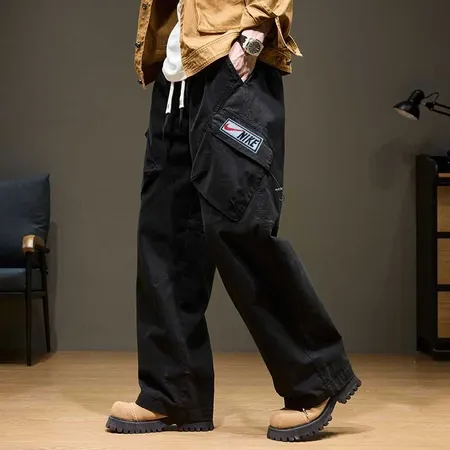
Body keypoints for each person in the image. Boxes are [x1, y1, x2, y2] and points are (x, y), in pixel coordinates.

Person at [106, 0, 361, 442]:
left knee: (240, 228)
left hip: (227, 66)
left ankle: (315, 380)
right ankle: (172, 392)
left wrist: (253, 38)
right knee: (166, 238)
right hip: (175, 80)